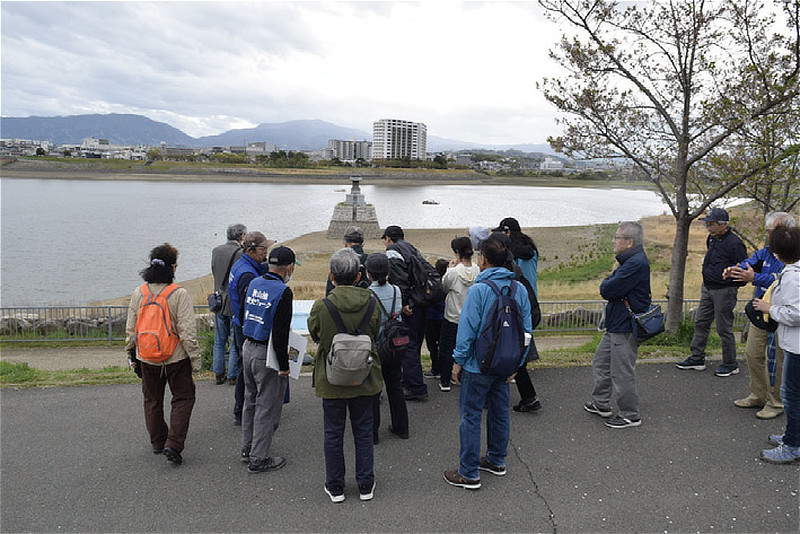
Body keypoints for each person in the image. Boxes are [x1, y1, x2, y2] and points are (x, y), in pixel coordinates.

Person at [443, 234, 532, 490]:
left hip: (476, 365)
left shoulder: (480, 290)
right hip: (506, 364)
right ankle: (496, 459)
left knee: (470, 416)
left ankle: (469, 473)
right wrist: (517, 364)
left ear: (483, 259)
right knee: (500, 412)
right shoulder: (519, 289)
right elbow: (526, 332)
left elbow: (467, 330)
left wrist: (458, 361)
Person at [308, 248, 383, 503]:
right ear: (359, 274)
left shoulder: (323, 306)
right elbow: (375, 333)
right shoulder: (372, 302)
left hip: (332, 377)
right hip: (365, 376)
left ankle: (336, 486)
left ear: (331, 275)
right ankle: (365, 484)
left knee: (333, 433)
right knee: (363, 432)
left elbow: (317, 335)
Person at [125, 243, 201, 465]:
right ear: (173, 268)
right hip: (175, 357)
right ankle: (174, 443)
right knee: (184, 397)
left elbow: (131, 328)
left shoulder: (140, 292)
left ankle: (158, 441)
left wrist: (131, 354)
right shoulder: (178, 294)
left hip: (146, 356)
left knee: (152, 399)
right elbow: (187, 332)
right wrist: (195, 360)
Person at [724, 212, 796, 419]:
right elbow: (749, 264)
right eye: (768, 231)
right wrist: (734, 270)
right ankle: (758, 394)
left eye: (773, 230)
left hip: (778, 315)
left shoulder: (792, 255)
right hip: (760, 313)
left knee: (775, 360)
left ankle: (775, 403)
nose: (769, 235)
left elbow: (778, 280)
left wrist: (753, 277)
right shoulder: (766, 252)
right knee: (752, 354)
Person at [583, 221, 650, 429]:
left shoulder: (634, 264)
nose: (613, 241)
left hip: (625, 326)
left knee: (622, 372)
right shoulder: (630, 260)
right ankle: (600, 403)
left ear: (629, 242)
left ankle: (630, 414)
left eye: (617, 237)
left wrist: (609, 281)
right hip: (616, 323)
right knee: (601, 363)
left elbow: (607, 290)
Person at [239, 246, 297, 473]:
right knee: (267, 406)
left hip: (248, 347)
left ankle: (248, 448)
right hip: (267, 353)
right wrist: (284, 366)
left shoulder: (254, 282)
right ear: (289, 267)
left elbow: (243, 312)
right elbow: (281, 333)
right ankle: (259, 458)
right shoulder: (283, 291)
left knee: (250, 401)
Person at [676, 208, 748, 376]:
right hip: (708, 288)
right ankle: (697, 357)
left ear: (723, 224)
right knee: (701, 322)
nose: (708, 227)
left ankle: (730, 363)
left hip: (724, 290)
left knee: (724, 328)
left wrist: (732, 284)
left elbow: (745, 267)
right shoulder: (712, 239)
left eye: (712, 224)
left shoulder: (734, 243)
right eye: (707, 224)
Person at [753, 226, 800, 463]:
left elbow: (796, 313)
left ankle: (793, 445)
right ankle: (793, 437)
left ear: (778, 252)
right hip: (795, 343)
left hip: (797, 345)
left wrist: (769, 308)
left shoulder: (793, 275)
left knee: (791, 395)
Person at [494, 218, 542, 412]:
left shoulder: (520, 252)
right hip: (527, 301)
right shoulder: (526, 247)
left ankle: (498, 396)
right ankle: (529, 397)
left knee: (507, 348)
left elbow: (524, 254)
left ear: (508, 233)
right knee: (515, 348)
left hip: (519, 303)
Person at [228, 231, 275, 425]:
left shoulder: (242, 265)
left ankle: (243, 409)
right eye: (263, 249)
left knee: (243, 367)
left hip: (239, 325)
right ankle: (242, 411)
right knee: (246, 370)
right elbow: (249, 305)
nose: (266, 253)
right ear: (250, 249)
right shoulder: (247, 274)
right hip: (245, 328)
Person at [382, 225, 429, 401]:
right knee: (414, 344)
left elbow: (400, 279)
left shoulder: (392, 251)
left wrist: (404, 303)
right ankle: (411, 380)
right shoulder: (412, 248)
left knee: (406, 344)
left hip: (410, 304)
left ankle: (416, 386)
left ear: (388, 238)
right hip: (422, 300)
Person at [365, 252, 409, 441]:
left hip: (377, 346)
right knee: (395, 386)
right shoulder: (396, 291)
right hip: (395, 345)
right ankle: (401, 428)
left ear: (368, 273)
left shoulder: (367, 294)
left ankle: (373, 433)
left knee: (374, 390)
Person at [439, 237, 480, 392]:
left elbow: (444, 287)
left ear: (456, 252)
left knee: (446, 349)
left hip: (453, 316)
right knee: (468, 347)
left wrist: (449, 268)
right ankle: (463, 377)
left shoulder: (454, 272)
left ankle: (444, 381)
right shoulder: (477, 269)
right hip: (471, 317)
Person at [210, 223, 246, 385]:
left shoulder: (216, 251)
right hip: (234, 303)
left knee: (219, 340)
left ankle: (218, 373)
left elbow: (214, 271)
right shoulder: (240, 253)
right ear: (241, 236)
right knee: (234, 341)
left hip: (218, 301)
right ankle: (232, 374)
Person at [422, 259, 448, 379]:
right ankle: (443, 368)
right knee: (442, 344)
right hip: (443, 316)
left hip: (431, 316)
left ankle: (435, 368)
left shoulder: (432, 284)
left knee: (432, 344)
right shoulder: (446, 284)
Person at [325, 226, 369, 295]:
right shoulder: (370, 261)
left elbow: (329, 292)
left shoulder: (338, 261)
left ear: (345, 243)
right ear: (363, 244)